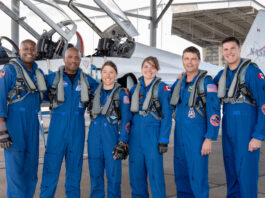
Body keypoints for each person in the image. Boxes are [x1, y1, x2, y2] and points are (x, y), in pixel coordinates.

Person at [40, 47, 98, 198]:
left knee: (74, 173)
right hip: (56, 132)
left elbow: (104, 89)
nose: (73, 60)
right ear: (64, 59)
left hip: (77, 132)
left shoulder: (87, 80)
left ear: (80, 60)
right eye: (70, 57)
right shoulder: (52, 78)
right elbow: (35, 93)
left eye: (77, 58)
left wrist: (122, 89)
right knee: (50, 172)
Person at [214, 37, 265, 198]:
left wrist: (258, 136)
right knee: (232, 174)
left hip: (246, 130)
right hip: (229, 129)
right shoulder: (222, 75)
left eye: (232, 48)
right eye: (226, 49)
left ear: (239, 49)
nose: (229, 52)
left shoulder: (251, 71)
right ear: (223, 52)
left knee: (247, 175)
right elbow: (207, 88)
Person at [170, 46, 220, 198]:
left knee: (198, 180)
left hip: (197, 138)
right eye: (186, 59)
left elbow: (214, 112)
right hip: (180, 138)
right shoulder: (180, 82)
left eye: (193, 59)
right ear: (183, 61)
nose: (189, 62)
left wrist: (209, 138)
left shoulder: (207, 82)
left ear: (199, 60)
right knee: (181, 179)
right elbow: (168, 98)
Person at [0, 39, 46, 198]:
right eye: (25, 48)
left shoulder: (37, 72)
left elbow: (47, 92)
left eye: (32, 49)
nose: (29, 51)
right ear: (19, 51)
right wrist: (2, 130)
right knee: (15, 171)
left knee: (31, 168)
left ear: (36, 52)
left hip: (32, 124)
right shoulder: (10, 70)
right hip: (14, 125)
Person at [87, 61, 131, 198]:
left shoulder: (121, 95)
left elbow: (126, 121)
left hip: (111, 141)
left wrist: (122, 142)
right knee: (95, 179)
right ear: (101, 74)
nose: (108, 75)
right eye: (105, 71)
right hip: (94, 140)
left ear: (116, 74)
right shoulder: (94, 92)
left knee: (113, 179)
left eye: (111, 72)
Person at [129, 56, 172, 198]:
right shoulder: (134, 89)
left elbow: (166, 115)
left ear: (157, 69)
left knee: (156, 178)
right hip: (135, 139)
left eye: (153, 67)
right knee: (136, 178)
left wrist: (163, 139)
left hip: (153, 138)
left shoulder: (163, 88)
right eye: (146, 66)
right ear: (141, 69)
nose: (149, 70)